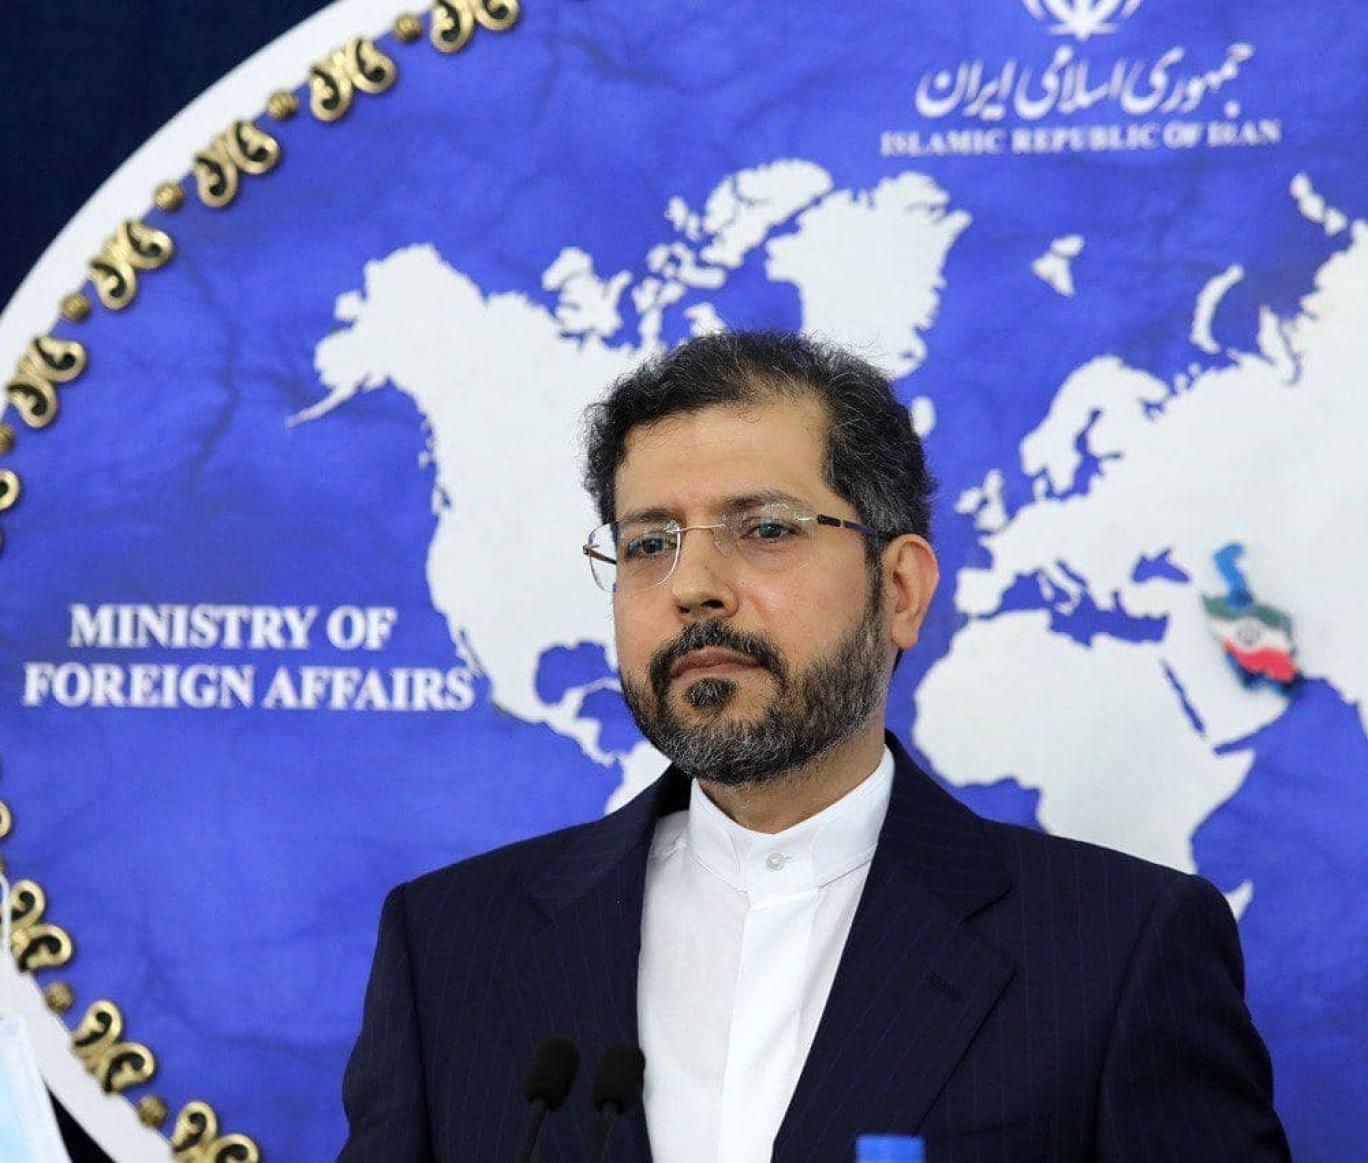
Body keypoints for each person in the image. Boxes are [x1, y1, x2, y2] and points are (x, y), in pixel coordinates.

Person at [338, 331, 1290, 1162]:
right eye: (649, 542)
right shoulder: (452, 946)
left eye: (765, 528)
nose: (693, 585)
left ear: (901, 591)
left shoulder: (1114, 951)